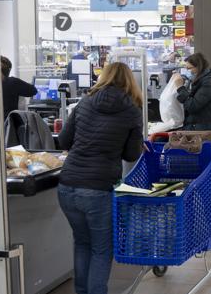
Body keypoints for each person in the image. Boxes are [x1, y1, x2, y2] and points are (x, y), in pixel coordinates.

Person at [57, 62, 143, 294]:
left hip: (67, 186)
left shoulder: (84, 103)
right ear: (130, 81)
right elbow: (131, 155)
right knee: (102, 249)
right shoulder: (132, 110)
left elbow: (63, 141)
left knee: (82, 243)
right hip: (99, 189)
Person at [172, 53, 211, 132]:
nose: (187, 71)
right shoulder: (197, 82)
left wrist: (180, 88)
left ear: (198, 67)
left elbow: (193, 106)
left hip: (210, 130)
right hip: (202, 127)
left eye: (189, 68)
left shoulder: (209, 83)